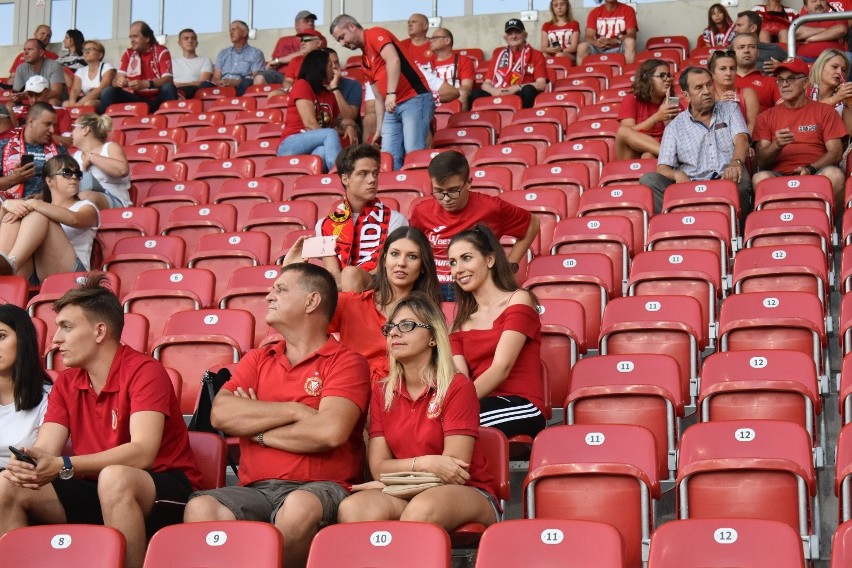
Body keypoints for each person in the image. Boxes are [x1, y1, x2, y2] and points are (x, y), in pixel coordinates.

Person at [0, 272, 201, 568]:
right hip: (96, 486)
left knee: (115, 477)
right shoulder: (66, 383)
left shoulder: (145, 371)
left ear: (99, 331)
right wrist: (31, 463)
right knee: (8, 484)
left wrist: (65, 465)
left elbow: (143, 453)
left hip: (162, 489)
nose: (55, 340)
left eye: (66, 327)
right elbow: (47, 450)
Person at [183, 263, 370, 568]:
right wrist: (296, 411)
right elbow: (221, 414)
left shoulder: (347, 362)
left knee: (297, 507)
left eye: (281, 289)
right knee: (201, 508)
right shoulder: (258, 358)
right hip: (256, 489)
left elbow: (329, 432)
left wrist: (256, 431)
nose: (269, 296)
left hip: (323, 487)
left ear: (311, 301)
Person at [336, 293, 499, 531]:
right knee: (353, 509)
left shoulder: (457, 386)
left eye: (407, 326)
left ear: (433, 337)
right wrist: (424, 463)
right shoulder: (382, 391)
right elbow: (379, 466)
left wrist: (389, 483)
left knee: (420, 510)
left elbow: (454, 470)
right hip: (408, 492)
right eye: (390, 327)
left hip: (467, 491)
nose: (394, 333)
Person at [286, 226, 440, 383]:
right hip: (350, 393)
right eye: (394, 254)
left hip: (402, 398)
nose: (401, 263)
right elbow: (298, 321)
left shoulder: (428, 315)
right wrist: (290, 275)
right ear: (384, 259)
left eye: (412, 257)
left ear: (423, 266)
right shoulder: (351, 304)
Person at [448, 225, 546, 439]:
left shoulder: (519, 299)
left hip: (521, 405)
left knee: (454, 425)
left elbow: (502, 367)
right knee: (435, 426)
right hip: (480, 403)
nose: (458, 269)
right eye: (453, 263)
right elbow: (461, 378)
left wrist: (457, 406)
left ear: (490, 260)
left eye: (466, 258)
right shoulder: (458, 324)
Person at [410, 151, 539, 302]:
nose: (446, 199)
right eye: (438, 191)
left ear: (469, 182)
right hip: (433, 287)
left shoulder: (491, 207)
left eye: (453, 191)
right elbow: (414, 248)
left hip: (476, 288)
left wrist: (510, 265)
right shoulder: (421, 211)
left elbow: (533, 223)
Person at [639, 67, 751, 214]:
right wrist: (676, 174)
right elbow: (663, 167)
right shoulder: (674, 126)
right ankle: (680, 222)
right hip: (689, 185)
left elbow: (742, 139)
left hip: (726, 178)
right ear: (686, 95)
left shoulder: (730, 109)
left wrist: (735, 162)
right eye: (699, 87)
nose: (706, 91)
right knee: (650, 180)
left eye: (709, 85)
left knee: (739, 177)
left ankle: (737, 232)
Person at [330, 14, 434, 171]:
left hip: (414, 98)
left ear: (352, 26)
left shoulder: (374, 33)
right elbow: (379, 97)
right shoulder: (364, 60)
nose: (342, 43)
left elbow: (393, 59)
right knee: (388, 157)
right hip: (392, 106)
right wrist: (379, 128)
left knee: (414, 152)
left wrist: (391, 93)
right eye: (339, 40)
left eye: (342, 37)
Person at [753, 58, 847, 206]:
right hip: (780, 176)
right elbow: (761, 161)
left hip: (817, 172)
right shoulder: (765, 117)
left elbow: (836, 152)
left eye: (791, 79)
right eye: (780, 80)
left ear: (805, 83)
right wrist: (776, 145)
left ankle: (830, 226)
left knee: (834, 175)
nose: (784, 84)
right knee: (760, 178)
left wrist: (810, 168)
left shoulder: (825, 111)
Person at [314, 144, 408, 291]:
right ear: (345, 179)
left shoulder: (396, 221)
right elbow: (333, 274)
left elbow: (385, 270)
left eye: (375, 173)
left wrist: (353, 280)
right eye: (363, 174)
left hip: (380, 291)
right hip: (342, 294)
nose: (372, 180)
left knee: (350, 274)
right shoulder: (323, 225)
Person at [0, 154, 99, 280]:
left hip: (74, 275)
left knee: (38, 215)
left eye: (78, 174)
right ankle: (4, 267)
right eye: (67, 172)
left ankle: (11, 263)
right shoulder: (38, 206)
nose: (74, 177)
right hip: (36, 271)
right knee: (14, 214)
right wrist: (6, 205)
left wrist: (34, 203)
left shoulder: (86, 206)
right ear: (49, 181)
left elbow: (74, 219)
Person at [276, 49, 358, 173]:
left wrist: (350, 126)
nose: (334, 70)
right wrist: (331, 132)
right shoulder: (302, 84)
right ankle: (341, 173)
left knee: (321, 152)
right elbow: (310, 124)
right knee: (329, 134)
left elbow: (337, 122)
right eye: (330, 66)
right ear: (319, 67)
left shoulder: (329, 95)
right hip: (290, 143)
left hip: (313, 145)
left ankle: (317, 185)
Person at [0, 304, 52, 468]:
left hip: (22, 483)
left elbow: (42, 462)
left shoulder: (50, 398)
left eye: (1, 336)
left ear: (23, 339)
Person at [98, 21, 177, 114]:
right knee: (108, 91)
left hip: (157, 98)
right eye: (130, 37)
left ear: (147, 38)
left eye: (135, 36)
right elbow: (115, 81)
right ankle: (101, 126)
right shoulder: (128, 54)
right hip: (135, 98)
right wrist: (119, 82)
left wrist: (147, 84)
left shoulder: (161, 50)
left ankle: (170, 123)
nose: (132, 40)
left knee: (168, 87)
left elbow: (168, 79)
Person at [473, 19, 548, 109]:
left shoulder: (536, 54)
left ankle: (523, 119)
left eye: (517, 32)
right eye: (510, 33)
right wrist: (494, 91)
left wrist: (516, 88)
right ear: (506, 38)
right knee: (475, 94)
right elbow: (486, 84)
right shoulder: (498, 55)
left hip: (520, 92)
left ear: (525, 35)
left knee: (529, 90)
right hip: (499, 91)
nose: (513, 36)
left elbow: (541, 84)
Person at [615, 59, 680, 160]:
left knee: (648, 156)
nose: (668, 79)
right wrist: (657, 117)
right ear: (647, 78)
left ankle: (668, 153)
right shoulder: (631, 99)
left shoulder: (672, 102)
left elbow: (680, 135)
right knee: (623, 131)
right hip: (632, 152)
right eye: (662, 75)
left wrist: (668, 121)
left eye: (669, 75)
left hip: (658, 155)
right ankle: (669, 153)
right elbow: (627, 134)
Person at [0, 103, 66, 200]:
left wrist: (45, 196)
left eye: (54, 125)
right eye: (47, 124)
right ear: (31, 122)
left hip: (44, 207)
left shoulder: (60, 151)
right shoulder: (3, 146)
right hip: (7, 204)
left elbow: (69, 183)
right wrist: (13, 178)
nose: (52, 130)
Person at [71, 113, 131, 209]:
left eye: (74, 127)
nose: (71, 133)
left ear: (85, 130)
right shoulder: (75, 156)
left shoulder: (110, 147)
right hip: (82, 200)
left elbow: (122, 170)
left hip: (116, 201)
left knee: (85, 197)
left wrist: (92, 157)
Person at [259, 11, 327, 85]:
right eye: (306, 21)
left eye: (312, 21)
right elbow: (273, 63)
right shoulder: (283, 40)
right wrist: (275, 63)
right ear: (296, 25)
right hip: (281, 75)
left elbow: (307, 52)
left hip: (303, 75)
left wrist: (279, 60)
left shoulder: (318, 38)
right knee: (259, 78)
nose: (310, 23)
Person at [201, 21, 264, 96]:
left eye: (234, 29)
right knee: (204, 85)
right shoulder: (223, 53)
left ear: (244, 32)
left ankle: (237, 104)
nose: (231, 33)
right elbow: (216, 77)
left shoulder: (256, 53)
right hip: (222, 84)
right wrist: (220, 82)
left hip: (241, 85)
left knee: (246, 82)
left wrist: (236, 82)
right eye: (230, 30)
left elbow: (256, 76)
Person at [709, 50, 759, 133]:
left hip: (744, 142)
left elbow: (752, 125)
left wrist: (744, 145)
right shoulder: (707, 95)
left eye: (732, 68)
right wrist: (719, 104)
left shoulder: (747, 93)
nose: (728, 73)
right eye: (723, 69)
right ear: (712, 74)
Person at [16, 76, 73, 148]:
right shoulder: (19, 112)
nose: (34, 100)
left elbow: (68, 142)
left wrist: (42, 133)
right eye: (30, 95)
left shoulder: (62, 112)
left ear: (48, 92)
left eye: (38, 95)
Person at [732, 32, 781, 113]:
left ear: (758, 53)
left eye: (751, 47)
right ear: (732, 54)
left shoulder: (772, 82)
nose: (746, 51)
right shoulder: (722, 82)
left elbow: (784, 113)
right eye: (741, 47)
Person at [577, 0, 638, 64]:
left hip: (619, 47)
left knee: (630, 42)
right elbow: (588, 37)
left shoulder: (628, 10)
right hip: (600, 48)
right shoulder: (594, 12)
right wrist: (597, 43)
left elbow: (632, 35)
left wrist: (616, 40)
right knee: (582, 47)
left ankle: (627, 73)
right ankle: (583, 73)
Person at [429, 27, 475, 111]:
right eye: (431, 38)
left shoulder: (464, 60)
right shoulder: (428, 64)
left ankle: (460, 123)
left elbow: (466, 87)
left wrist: (450, 93)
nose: (431, 41)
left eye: (435, 38)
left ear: (447, 41)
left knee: (462, 93)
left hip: (455, 96)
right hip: (434, 97)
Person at [10, 39, 66, 107]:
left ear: (41, 52)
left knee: (52, 101)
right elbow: (16, 93)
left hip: (50, 101)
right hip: (30, 100)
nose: (25, 53)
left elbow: (57, 93)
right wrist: (16, 97)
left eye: (30, 49)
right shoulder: (20, 68)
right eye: (24, 50)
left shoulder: (54, 65)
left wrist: (31, 95)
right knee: (10, 105)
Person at [809, 48, 852, 134]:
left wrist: (848, 103)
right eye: (834, 67)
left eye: (844, 70)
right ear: (821, 66)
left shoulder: (842, 97)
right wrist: (835, 98)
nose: (840, 72)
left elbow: (849, 132)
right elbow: (804, 113)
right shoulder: (804, 88)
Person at [63, 40, 116, 109]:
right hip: (85, 100)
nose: (86, 52)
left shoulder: (106, 67)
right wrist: (72, 103)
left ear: (100, 55)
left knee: (88, 104)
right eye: (84, 50)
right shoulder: (81, 71)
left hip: (103, 100)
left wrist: (80, 103)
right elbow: (75, 90)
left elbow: (102, 88)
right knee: (66, 104)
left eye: (90, 49)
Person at [171, 28, 213, 100]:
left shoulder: (205, 60)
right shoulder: (172, 62)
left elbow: (203, 82)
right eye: (186, 38)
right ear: (179, 43)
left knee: (206, 85)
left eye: (193, 38)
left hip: (194, 90)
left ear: (197, 43)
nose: (190, 41)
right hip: (173, 91)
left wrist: (178, 85)